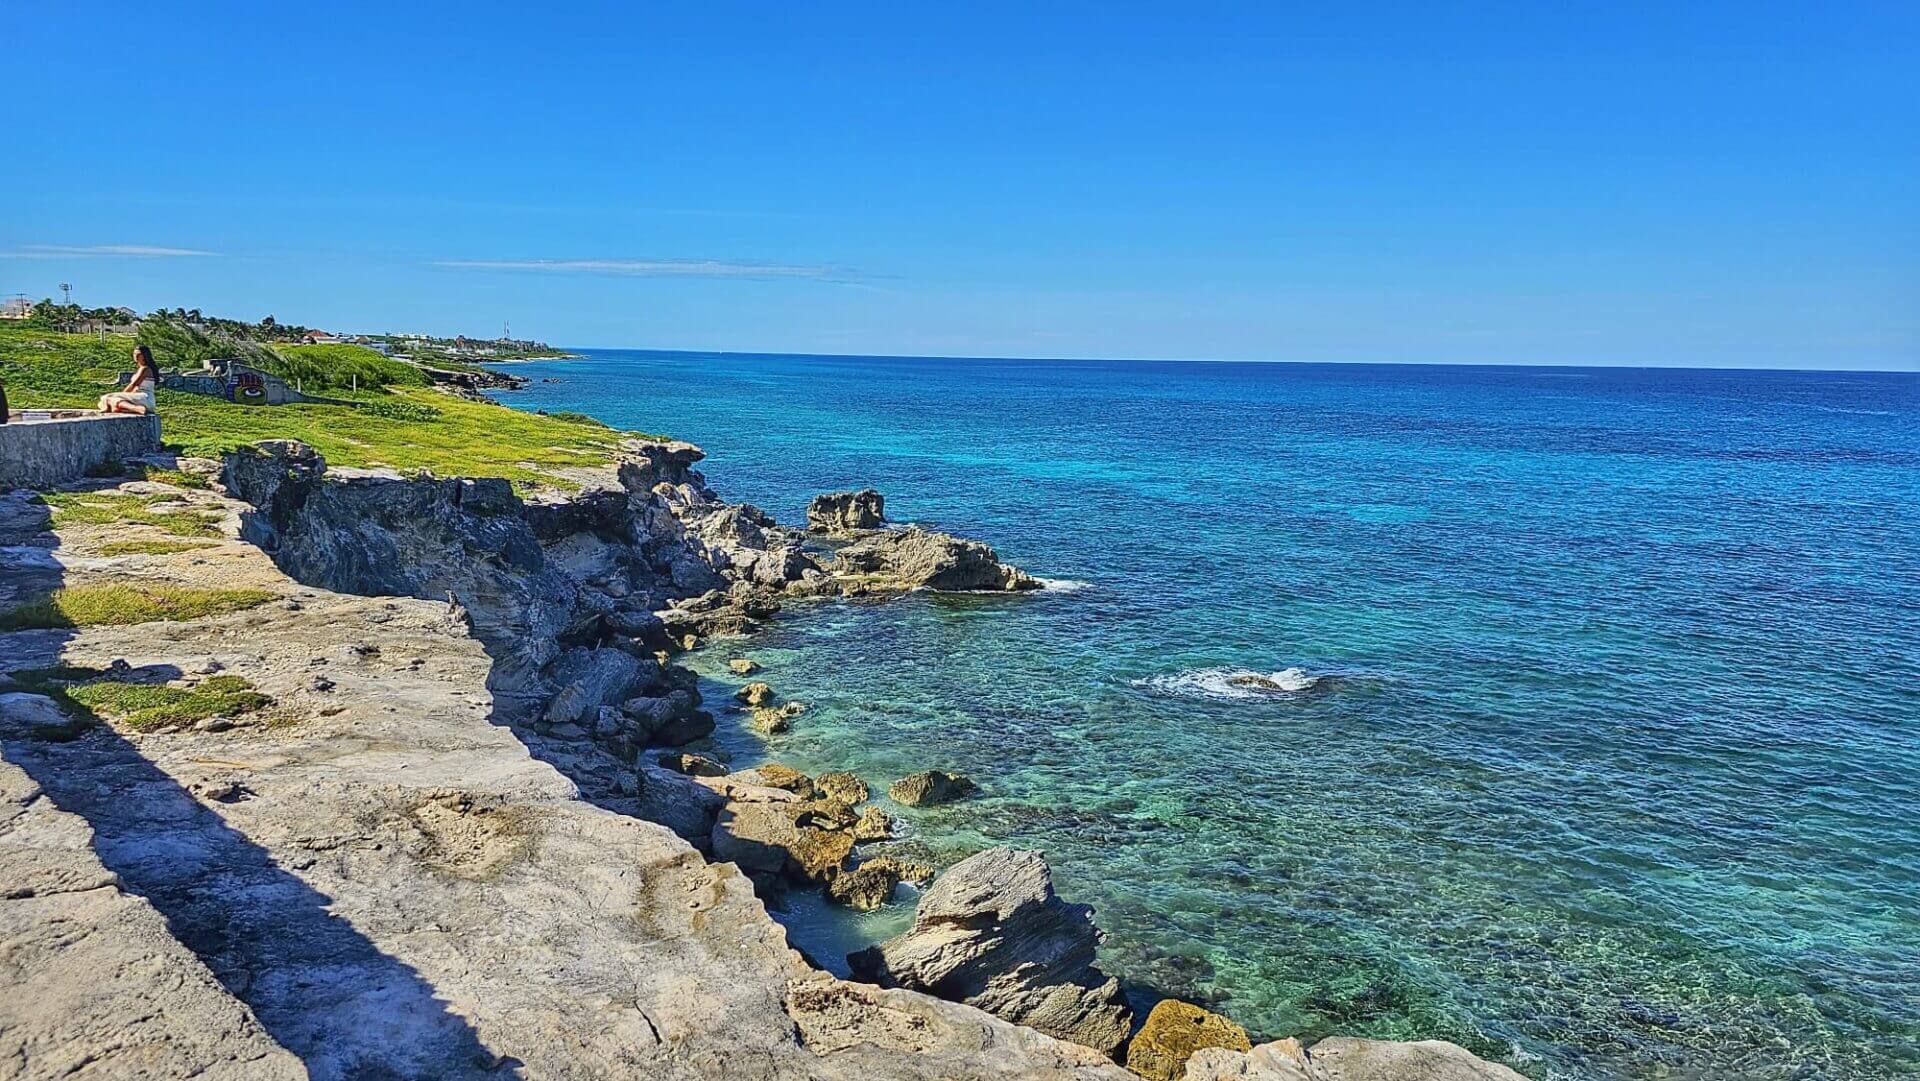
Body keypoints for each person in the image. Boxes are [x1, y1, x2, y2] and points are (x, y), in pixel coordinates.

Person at [98, 344, 160, 415]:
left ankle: (134, 408)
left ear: (144, 355)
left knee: (107, 398)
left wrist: (122, 394)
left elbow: (134, 385)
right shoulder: (141, 368)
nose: (136, 356)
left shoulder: (145, 369)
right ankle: (130, 408)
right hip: (138, 397)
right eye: (134, 353)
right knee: (102, 403)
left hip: (144, 398)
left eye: (139, 354)